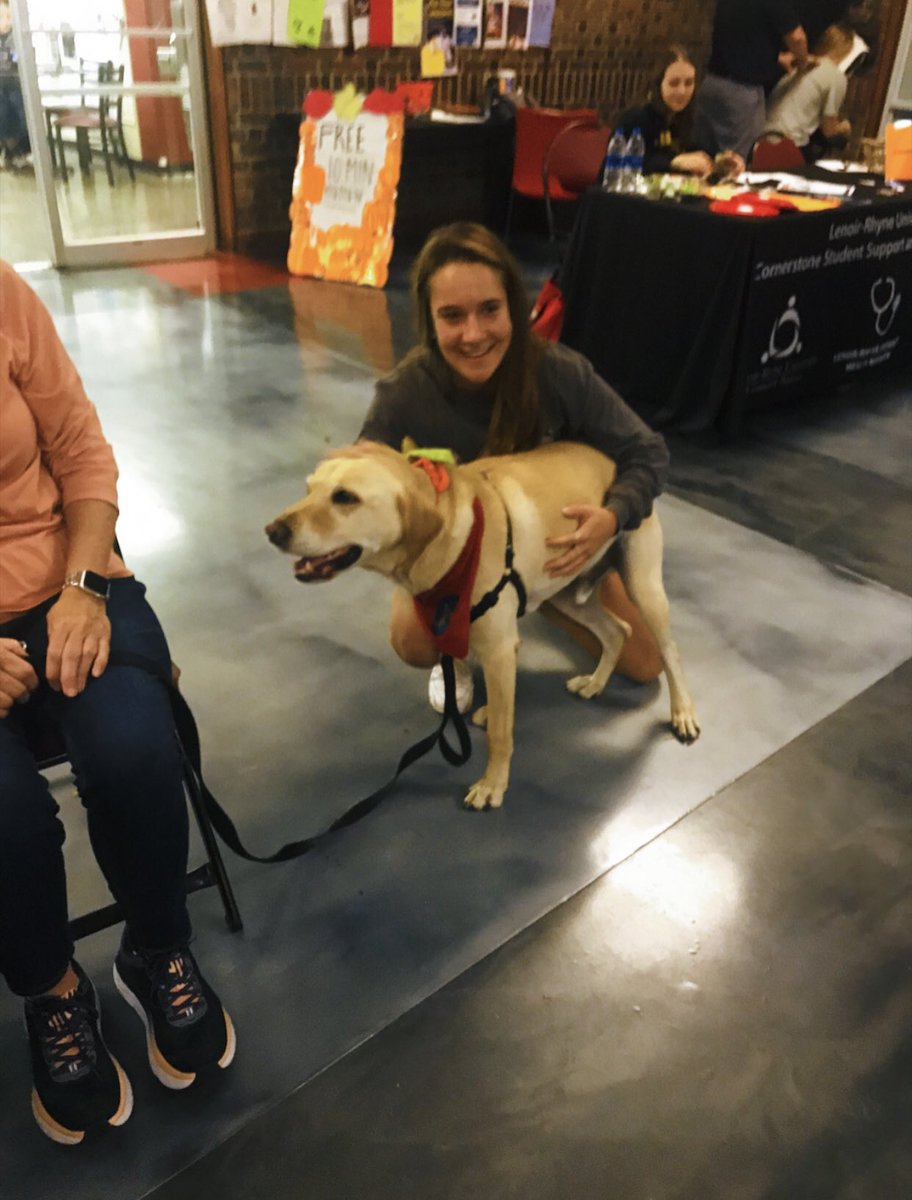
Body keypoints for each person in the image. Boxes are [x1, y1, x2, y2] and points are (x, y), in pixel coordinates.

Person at [0, 261, 236, 1146]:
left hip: (65, 577)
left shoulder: (2, 294)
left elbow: (80, 449)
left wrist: (87, 585)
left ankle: (155, 945)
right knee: (6, 816)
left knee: (136, 748)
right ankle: (53, 994)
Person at [357, 222, 668, 713]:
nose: (473, 334)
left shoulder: (558, 371)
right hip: (454, 561)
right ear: (428, 319)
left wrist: (613, 515)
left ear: (514, 308)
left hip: (552, 551)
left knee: (645, 663)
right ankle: (459, 653)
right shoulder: (405, 392)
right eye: (452, 316)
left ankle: (532, 602)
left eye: (489, 310)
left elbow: (647, 451)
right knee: (414, 640)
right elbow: (365, 475)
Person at [693, 0, 812, 161]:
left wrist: (775, 57)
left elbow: (742, 36)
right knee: (736, 164)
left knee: (701, 158)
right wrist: (803, 62)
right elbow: (797, 38)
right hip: (742, 93)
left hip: (711, 83)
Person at [617, 45, 745, 178]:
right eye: (674, 83)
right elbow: (619, 168)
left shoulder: (696, 119)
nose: (682, 91)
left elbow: (708, 158)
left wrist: (724, 164)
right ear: (657, 84)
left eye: (689, 83)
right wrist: (673, 162)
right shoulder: (636, 119)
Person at [766, 24, 854, 156]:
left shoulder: (801, 65)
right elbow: (829, 130)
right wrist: (844, 129)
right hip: (788, 143)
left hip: (762, 136)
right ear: (846, 50)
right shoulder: (836, 76)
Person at [0, 0, 31, 169]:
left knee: (23, 117)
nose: (6, 21)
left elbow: (21, 59)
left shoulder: (17, 37)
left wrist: (15, 57)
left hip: (16, 83)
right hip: (1, 85)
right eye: (1, 17)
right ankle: (9, 152)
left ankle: (25, 151)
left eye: (9, 16)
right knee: (3, 118)